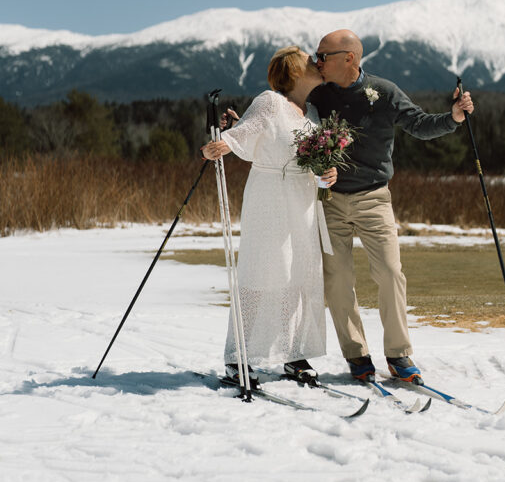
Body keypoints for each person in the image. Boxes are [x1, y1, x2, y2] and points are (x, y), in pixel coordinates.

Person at [308, 28, 474, 385]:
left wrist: (454, 117)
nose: (316, 61)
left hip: (373, 197)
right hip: (329, 200)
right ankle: (356, 355)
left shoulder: (383, 91)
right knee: (337, 280)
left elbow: (419, 124)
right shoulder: (317, 94)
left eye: (323, 56)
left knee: (390, 272)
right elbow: (286, 115)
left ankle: (399, 355)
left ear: (349, 58)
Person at [201, 46, 337, 386]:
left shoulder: (314, 112)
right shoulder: (270, 101)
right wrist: (222, 143)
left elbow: (312, 160)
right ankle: (239, 356)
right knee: (261, 273)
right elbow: (246, 132)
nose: (316, 64)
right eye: (310, 60)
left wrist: (327, 173)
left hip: (303, 198)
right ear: (293, 70)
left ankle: (294, 352)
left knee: (299, 276)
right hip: (269, 195)